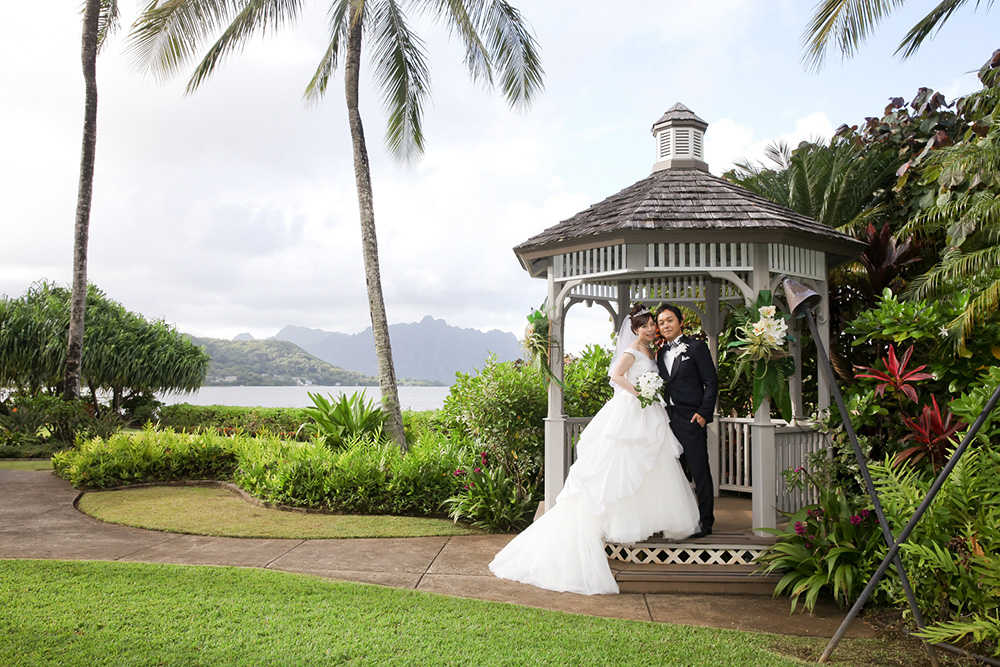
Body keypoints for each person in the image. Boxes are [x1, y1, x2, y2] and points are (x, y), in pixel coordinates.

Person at [488, 304, 700, 595]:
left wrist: (649, 394)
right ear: (635, 329)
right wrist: (641, 393)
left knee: (653, 465)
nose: (651, 329)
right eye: (646, 325)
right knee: (624, 465)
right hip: (631, 411)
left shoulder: (652, 351)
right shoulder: (631, 351)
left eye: (653, 324)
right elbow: (616, 377)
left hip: (650, 413)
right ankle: (620, 522)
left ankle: (652, 519)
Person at [655, 303, 718, 538]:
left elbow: (711, 382)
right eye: (661, 323)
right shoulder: (660, 353)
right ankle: (678, 520)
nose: (665, 325)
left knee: (699, 470)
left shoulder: (696, 347)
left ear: (680, 322)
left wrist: (703, 414)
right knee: (675, 474)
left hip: (691, 418)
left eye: (669, 320)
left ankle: (706, 522)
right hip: (668, 420)